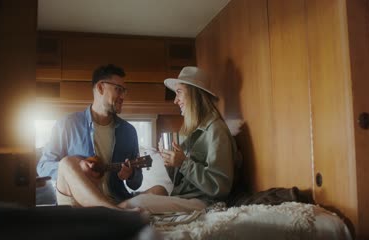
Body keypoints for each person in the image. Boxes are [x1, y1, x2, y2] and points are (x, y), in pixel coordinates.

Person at [121, 66, 241, 213]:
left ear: (194, 95)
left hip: (203, 202)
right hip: (185, 197)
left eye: (179, 93)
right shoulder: (192, 131)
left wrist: (183, 163)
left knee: (136, 204)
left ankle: (106, 212)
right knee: (157, 190)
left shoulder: (216, 130)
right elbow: (182, 182)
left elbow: (220, 187)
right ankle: (109, 210)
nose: (175, 101)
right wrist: (170, 163)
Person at [37, 64, 151, 210]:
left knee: (159, 190)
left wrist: (131, 174)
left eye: (124, 91)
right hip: (76, 203)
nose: (123, 96)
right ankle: (115, 213)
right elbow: (43, 166)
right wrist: (76, 168)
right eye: (119, 89)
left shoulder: (129, 132)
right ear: (100, 88)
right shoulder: (67, 124)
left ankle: (113, 211)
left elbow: (136, 184)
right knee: (67, 163)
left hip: (116, 200)